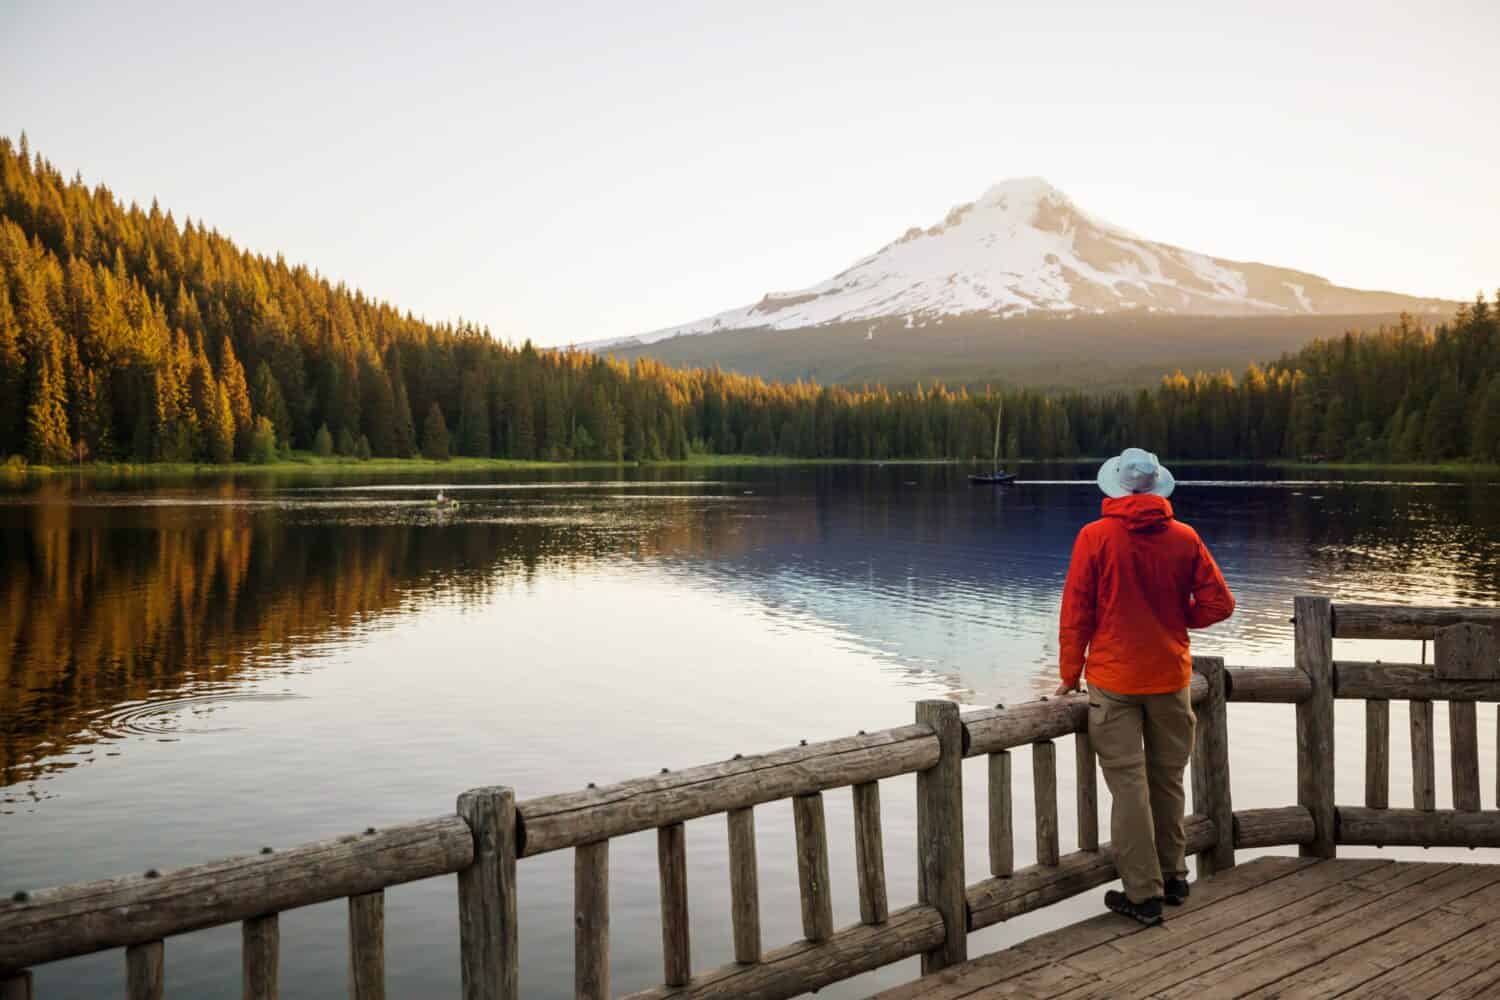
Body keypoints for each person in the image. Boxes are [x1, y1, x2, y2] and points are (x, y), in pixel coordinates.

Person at [1055, 447, 1234, 925]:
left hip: (1114, 681)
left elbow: (1077, 615)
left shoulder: (1094, 537)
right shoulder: (1184, 537)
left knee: (1129, 787)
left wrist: (1070, 676)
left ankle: (1142, 895)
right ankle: (1175, 875)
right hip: (1171, 676)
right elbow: (1220, 604)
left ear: (1114, 486)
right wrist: (1178, 619)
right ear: (1157, 488)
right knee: (1167, 779)